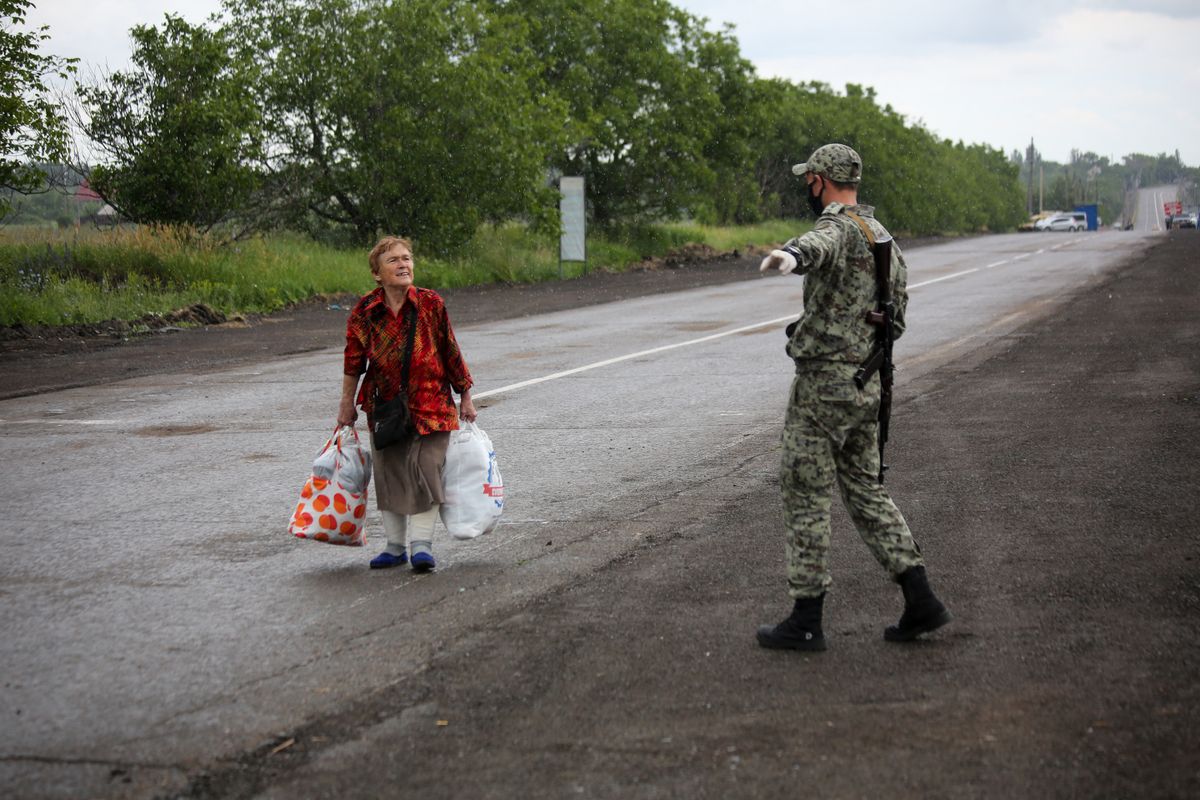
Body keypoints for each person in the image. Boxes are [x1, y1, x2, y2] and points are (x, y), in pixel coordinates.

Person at [756, 143, 950, 651]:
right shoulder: (885, 238)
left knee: (804, 490)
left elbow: (817, 244)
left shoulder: (837, 227)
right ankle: (920, 597)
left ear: (821, 180)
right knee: (865, 490)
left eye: (809, 179)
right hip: (868, 385)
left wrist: (789, 255)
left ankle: (805, 617)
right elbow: (896, 321)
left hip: (822, 388)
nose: (806, 186)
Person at [337, 236, 477, 572]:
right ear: (377, 273)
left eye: (407, 258)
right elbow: (353, 361)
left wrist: (465, 394)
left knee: (426, 468)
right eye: (393, 260)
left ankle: (422, 547)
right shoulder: (365, 311)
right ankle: (395, 547)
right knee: (391, 473)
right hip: (385, 405)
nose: (403, 265)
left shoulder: (431, 303)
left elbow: (450, 350)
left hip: (432, 403)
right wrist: (346, 403)